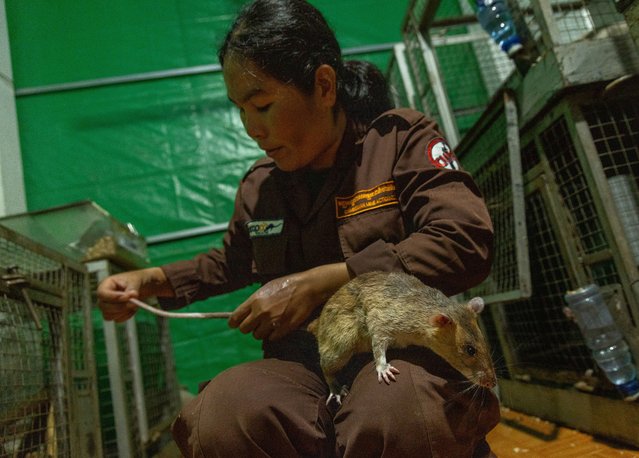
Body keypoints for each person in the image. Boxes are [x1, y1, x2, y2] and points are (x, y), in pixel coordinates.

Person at [97, 0, 500, 456]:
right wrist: (149, 282)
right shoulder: (261, 187)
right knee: (226, 412)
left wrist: (327, 280)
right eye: (240, 110)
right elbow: (230, 262)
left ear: (324, 86)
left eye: (263, 105)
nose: (251, 128)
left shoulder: (398, 141)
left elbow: (463, 238)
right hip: (305, 365)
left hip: (397, 356)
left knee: (398, 412)